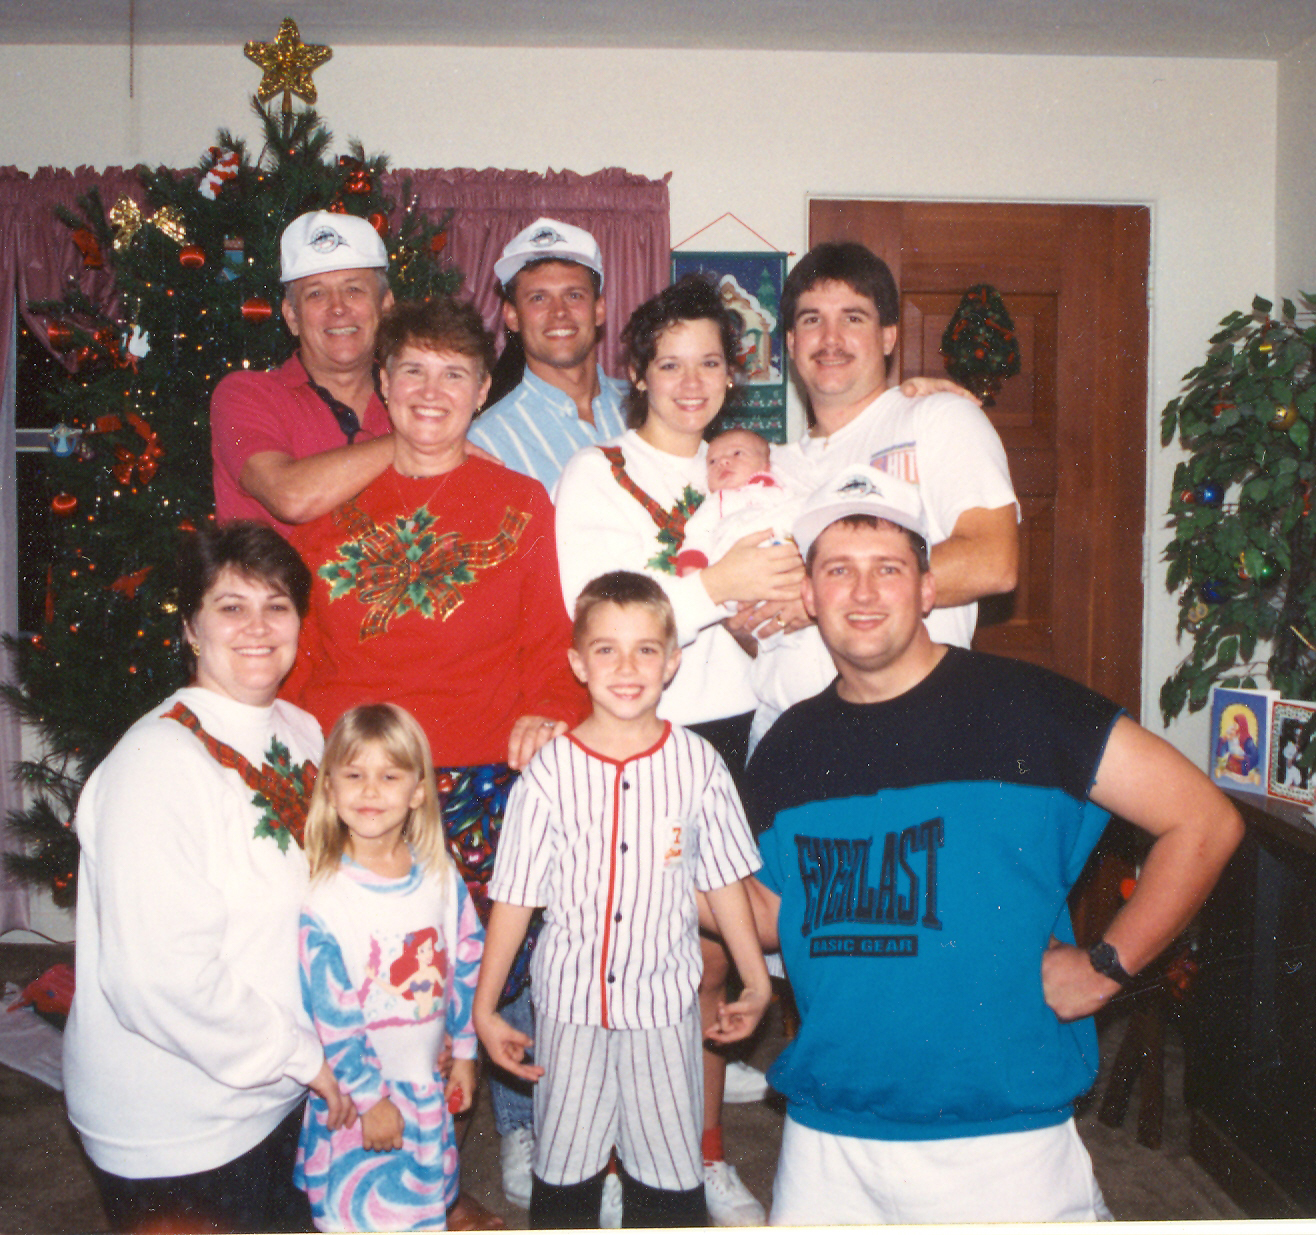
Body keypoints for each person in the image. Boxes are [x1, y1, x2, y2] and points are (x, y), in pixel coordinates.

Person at [743, 466, 1245, 1225]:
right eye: (838, 570)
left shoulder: (1029, 707)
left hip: (1004, 1141)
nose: (864, 591)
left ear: (928, 589)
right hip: (826, 1139)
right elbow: (770, 914)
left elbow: (1203, 820)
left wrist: (1107, 966)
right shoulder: (787, 746)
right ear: (809, 597)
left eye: (889, 568)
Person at [283, 295, 585, 1224]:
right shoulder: (331, 505)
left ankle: (481, 1146)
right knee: (356, 975)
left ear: (482, 389)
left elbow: (552, 648)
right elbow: (298, 658)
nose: (430, 390)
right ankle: (349, 1160)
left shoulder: (520, 503)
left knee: (474, 974)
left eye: (454, 373)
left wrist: (548, 710)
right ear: (382, 382)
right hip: (360, 785)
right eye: (411, 368)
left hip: (475, 775)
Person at [554, 275, 804, 1225]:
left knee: (707, 962)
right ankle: (615, 1157)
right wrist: (720, 584)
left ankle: (699, 1157)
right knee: (633, 959)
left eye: (709, 362)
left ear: (733, 373)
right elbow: (598, 612)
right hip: (641, 739)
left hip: (739, 733)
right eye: (670, 363)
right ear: (638, 373)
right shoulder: (598, 474)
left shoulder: (745, 471)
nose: (691, 381)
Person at [63, 521, 353, 1234]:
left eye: (277, 605)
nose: (257, 627)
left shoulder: (302, 730)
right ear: (191, 628)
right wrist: (306, 1057)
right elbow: (158, 979)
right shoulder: (156, 765)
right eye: (231, 606)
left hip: (278, 1093)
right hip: (180, 1125)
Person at [473, 572, 771, 1228]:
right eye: (606, 649)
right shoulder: (547, 774)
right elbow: (514, 898)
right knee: (565, 1175)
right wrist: (485, 1005)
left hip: (663, 1009)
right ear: (578, 663)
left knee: (667, 1179)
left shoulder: (698, 765)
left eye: (645, 650)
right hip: (569, 1009)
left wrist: (755, 981)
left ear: (672, 662)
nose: (627, 667)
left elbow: (723, 882)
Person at [748, 241, 1022, 733]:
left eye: (853, 318)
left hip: (912, 728)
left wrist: (816, 597)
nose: (830, 338)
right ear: (789, 342)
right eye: (811, 320)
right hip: (782, 734)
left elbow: (993, 561)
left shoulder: (937, 418)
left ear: (889, 336)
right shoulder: (767, 469)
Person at [297, 703, 483, 1232]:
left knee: (423, 1213)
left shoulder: (440, 876)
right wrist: (370, 1097)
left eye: (389, 776)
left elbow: (466, 960)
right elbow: (333, 1014)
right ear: (330, 788)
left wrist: (465, 1052)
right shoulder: (326, 898)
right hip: (362, 1099)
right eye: (354, 776)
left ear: (418, 791)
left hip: (426, 1086)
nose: (371, 792)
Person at [211, 211, 398, 532]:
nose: (337, 307)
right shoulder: (245, 395)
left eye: (353, 289)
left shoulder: (416, 396)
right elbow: (290, 497)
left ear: (385, 306)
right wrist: (423, 443)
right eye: (316, 293)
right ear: (292, 317)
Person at [468, 217, 628, 490]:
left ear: (599, 309)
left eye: (574, 295)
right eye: (538, 298)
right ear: (512, 316)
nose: (559, 312)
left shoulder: (647, 406)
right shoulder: (488, 442)